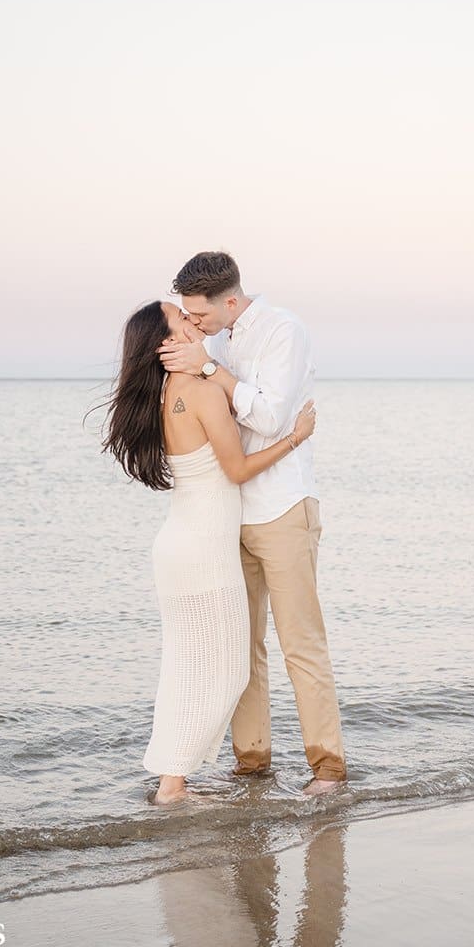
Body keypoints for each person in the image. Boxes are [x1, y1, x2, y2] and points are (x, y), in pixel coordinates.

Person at [100, 300, 317, 805]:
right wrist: (295, 438)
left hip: (182, 544)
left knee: (188, 666)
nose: (195, 325)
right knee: (227, 670)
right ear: (168, 343)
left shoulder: (165, 394)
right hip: (200, 549)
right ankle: (172, 785)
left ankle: (172, 780)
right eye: (183, 320)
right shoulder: (196, 391)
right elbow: (237, 470)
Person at [156, 252, 348, 797]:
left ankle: (328, 770)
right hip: (229, 514)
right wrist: (198, 364)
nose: (194, 324)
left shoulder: (284, 331)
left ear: (231, 301)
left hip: (283, 508)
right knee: (242, 647)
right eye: (188, 316)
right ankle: (252, 764)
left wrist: (211, 369)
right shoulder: (213, 339)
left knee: (300, 643)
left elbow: (267, 416)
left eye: (200, 314)